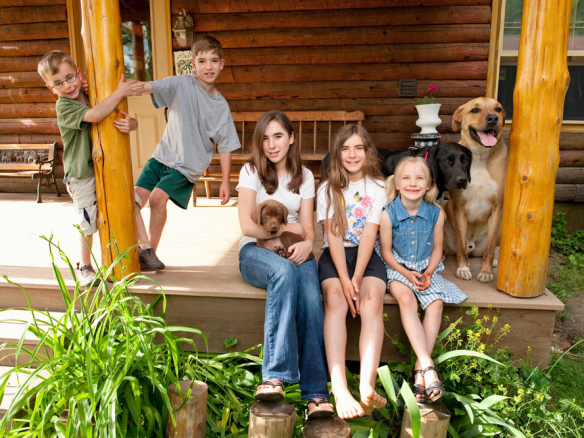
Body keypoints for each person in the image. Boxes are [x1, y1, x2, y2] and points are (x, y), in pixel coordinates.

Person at [237, 110, 333, 420]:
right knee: (283, 271)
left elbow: (308, 230)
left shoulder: (304, 176)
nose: (271, 144)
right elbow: (247, 226)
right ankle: (275, 376)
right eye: (265, 138)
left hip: (295, 248)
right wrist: (286, 233)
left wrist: (306, 243)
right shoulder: (251, 171)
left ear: (291, 138)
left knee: (310, 294)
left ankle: (316, 393)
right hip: (255, 251)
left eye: (278, 136)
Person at [133, 35, 240, 270]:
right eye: (202, 61)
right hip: (162, 155)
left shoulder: (220, 107)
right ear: (193, 64)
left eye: (214, 61)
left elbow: (225, 146)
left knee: (158, 199)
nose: (208, 67)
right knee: (133, 200)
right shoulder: (181, 84)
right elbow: (146, 86)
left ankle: (150, 252)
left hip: (187, 164)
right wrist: (119, 90)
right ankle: (144, 250)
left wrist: (225, 181)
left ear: (222, 64)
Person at [37, 50, 142, 286]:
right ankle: (84, 265)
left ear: (79, 74)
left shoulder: (90, 93)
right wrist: (119, 92)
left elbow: (123, 117)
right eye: (58, 83)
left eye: (70, 78)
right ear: (50, 88)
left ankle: (142, 250)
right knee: (88, 220)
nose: (67, 86)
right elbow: (95, 115)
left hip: (102, 166)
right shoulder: (64, 106)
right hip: (81, 174)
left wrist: (132, 124)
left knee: (127, 201)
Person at [375, 156, 467, 404]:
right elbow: (386, 253)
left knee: (435, 302)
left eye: (419, 178)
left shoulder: (436, 213)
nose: (413, 183)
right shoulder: (388, 215)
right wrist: (406, 274)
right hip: (397, 267)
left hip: (427, 268)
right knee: (407, 300)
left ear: (428, 185)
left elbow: (437, 249)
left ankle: (419, 370)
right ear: (397, 184)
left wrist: (428, 272)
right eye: (406, 178)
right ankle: (428, 364)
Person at [317, 125, 388, 419]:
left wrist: (357, 278)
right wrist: (345, 280)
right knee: (336, 299)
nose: (352, 154)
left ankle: (366, 384)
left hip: (366, 255)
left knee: (372, 300)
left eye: (359, 147)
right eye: (345, 149)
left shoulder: (379, 187)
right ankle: (339, 387)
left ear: (368, 152)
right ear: (337, 154)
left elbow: (370, 233)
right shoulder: (327, 188)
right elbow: (333, 234)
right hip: (335, 254)